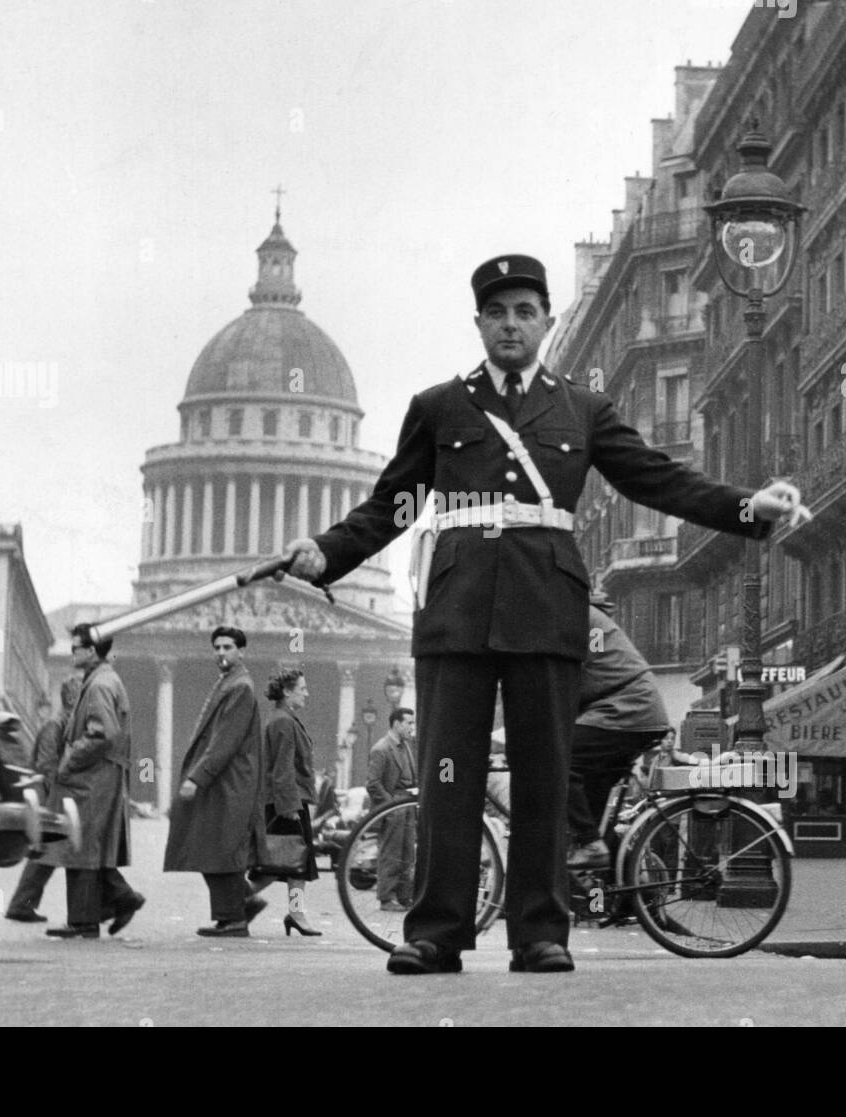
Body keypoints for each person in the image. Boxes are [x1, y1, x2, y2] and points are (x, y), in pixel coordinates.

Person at [280, 253, 811, 975]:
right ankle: (436, 930)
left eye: (524, 311)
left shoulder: (582, 409)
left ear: (546, 321)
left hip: (546, 609)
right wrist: (327, 551)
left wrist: (748, 507)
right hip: (457, 613)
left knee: (542, 777)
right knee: (446, 777)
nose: (510, 325)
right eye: (496, 312)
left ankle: (539, 932)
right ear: (478, 323)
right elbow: (395, 505)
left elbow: (655, 477)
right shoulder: (438, 406)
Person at [163, 626, 268, 937]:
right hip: (224, 781)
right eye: (217, 647)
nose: (221, 653)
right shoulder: (231, 683)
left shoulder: (240, 687)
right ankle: (239, 907)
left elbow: (225, 741)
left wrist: (197, 777)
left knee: (218, 847)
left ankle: (236, 915)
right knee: (212, 846)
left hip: (228, 782)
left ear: (241, 651)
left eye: (227, 647)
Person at [42, 624, 145, 940]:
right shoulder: (102, 679)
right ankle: (112, 903)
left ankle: (85, 920)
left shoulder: (99, 684)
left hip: (92, 776)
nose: (72, 652)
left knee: (81, 845)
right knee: (85, 845)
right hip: (98, 775)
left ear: (91, 651)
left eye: (76, 647)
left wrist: (68, 762)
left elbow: (102, 732)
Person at [567, 597, 670, 869]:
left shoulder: (584, 619)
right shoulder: (587, 617)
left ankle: (591, 845)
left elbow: (590, 674)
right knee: (592, 811)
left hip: (627, 709)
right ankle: (612, 893)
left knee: (560, 759)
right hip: (632, 710)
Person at [249, 667, 322, 936]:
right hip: (286, 801)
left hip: (287, 799)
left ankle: (296, 913)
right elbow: (282, 768)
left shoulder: (282, 718)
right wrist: (289, 807)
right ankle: (236, 905)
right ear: (287, 692)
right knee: (278, 863)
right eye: (302, 689)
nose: (306, 693)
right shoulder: (283, 721)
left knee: (292, 863)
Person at [5, 675, 82, 923]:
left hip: (51, 793)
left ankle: (22, 904)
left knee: (46, 854)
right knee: (45, 853)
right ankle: (20, 904)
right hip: (47, 794)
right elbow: (46, 764)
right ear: (71, 698)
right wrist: (58, 794)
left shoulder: (65, 724)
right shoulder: (55, 726)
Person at [366, 707, 418, 912]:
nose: (412, 727)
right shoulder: (381, 748)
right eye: (409, 723)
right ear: (396, 723)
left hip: (406, 803)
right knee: (391, 853)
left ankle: (405, 897)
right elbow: (373, 783)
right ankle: (386, 898)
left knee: (407, 854)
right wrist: (390, 805)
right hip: (393, 805)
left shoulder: (406, 747)